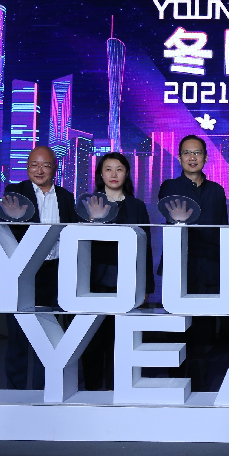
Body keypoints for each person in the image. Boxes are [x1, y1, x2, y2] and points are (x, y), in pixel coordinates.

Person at [0, 146, 77, 390]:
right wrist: (15, 218)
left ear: (55, 168)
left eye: (45, 165)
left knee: (48, 337)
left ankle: (44, 391)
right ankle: (16, 392)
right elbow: (5, 229)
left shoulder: (66, 197)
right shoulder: (15, 192)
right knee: (18, 337)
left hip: (54, 273)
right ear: (27, 167)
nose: (39, 170)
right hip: (22, 273)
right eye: (34, 165)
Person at [157, 135, 229, 391]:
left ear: (205, 158)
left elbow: (222, 229)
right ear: (179, 158)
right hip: (179, 266)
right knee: (176, 329)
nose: (192, 157)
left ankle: (199, 386)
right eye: (187, 153)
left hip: (209, 267)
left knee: (204, 331)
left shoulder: (217, 190)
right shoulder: (169, 186)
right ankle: (175, 385)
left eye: (197, 153)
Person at [81, 152, 155, 391]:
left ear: (127, 174)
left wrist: (147, 285)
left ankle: (117, 391)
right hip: (92, 282)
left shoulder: (137, 206)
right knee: (93, 341)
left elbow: (145, 247)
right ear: (100, 174)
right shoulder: (88, 204)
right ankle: (92, 392)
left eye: (119, 169)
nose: (114, 174)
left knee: (121, 341)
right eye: (108, 169)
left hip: (127, 282)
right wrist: (93, 221)